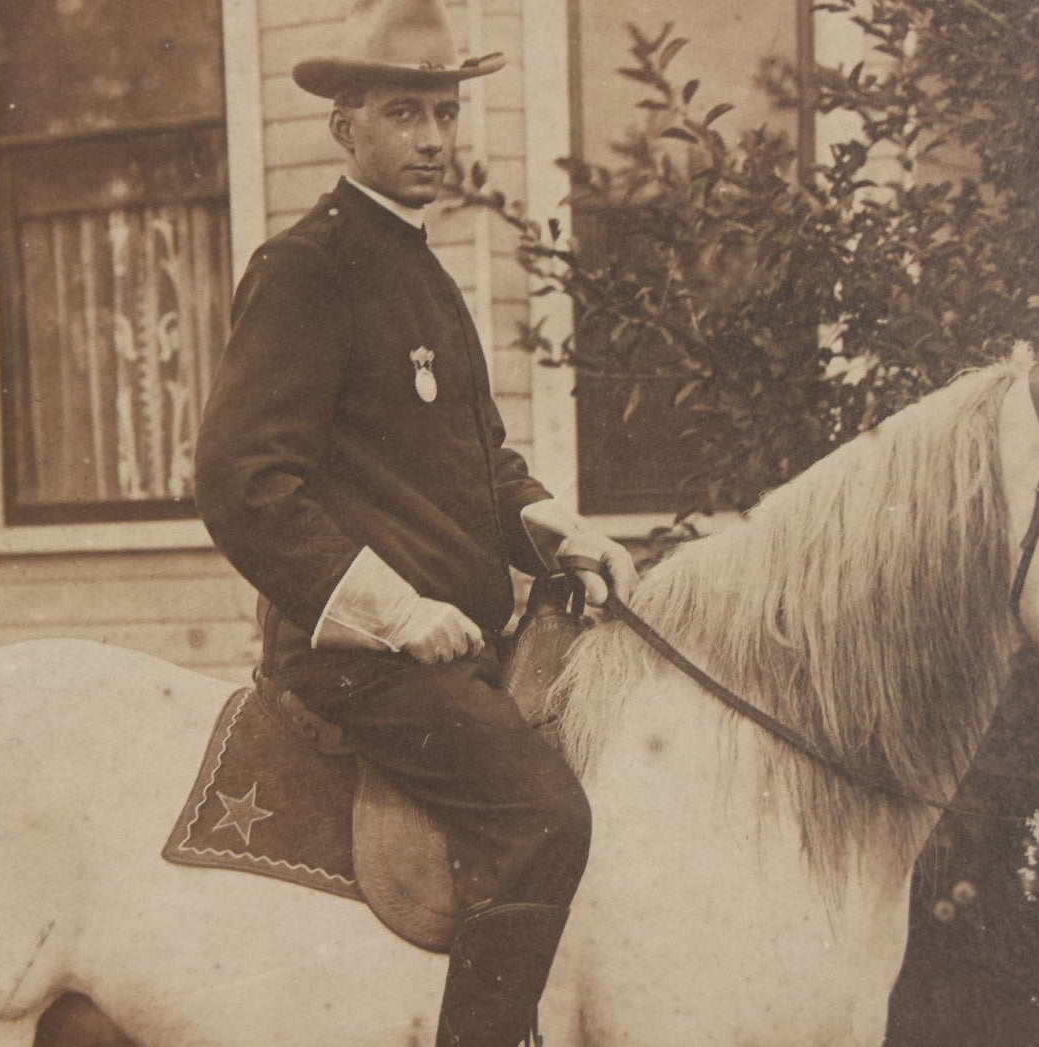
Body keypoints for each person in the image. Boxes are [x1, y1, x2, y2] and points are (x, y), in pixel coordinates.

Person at [194, 1, 637, 1043]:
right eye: (405, 113)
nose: (435, 139)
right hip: (359, 658)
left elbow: (481, 463)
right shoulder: (309, 268)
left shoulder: (425, 271)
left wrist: (558, 530)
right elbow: (237, 479)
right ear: (344, 125)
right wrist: (394, 612)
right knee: (544, 816)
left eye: (445, 113)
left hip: (457, 644)